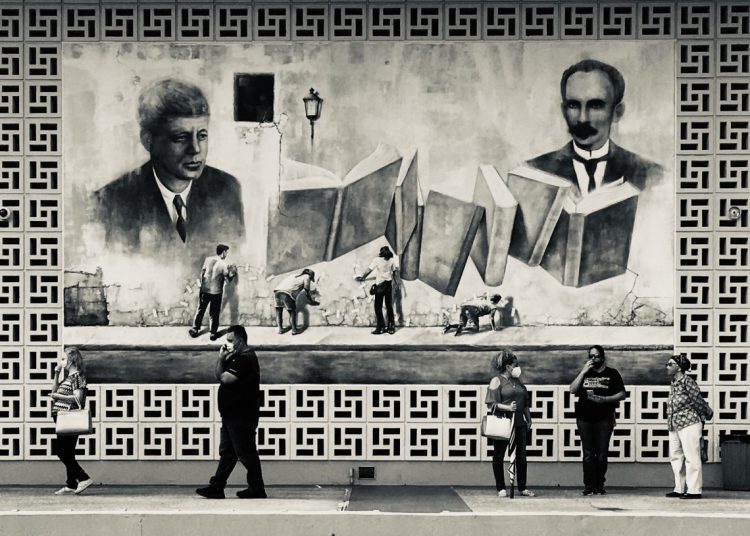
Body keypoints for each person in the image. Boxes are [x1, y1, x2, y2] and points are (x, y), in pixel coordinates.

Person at [93, 78, 245, 254]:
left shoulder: (226, 189)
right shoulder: (111, 201)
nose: (195, 149)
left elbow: (235, 259)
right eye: (181, 138)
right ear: (148, 141)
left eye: (202, 136)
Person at [527, 59, 662, 198]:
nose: (582, 119)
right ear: (563, 110)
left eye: (595, 105)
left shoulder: (652, 176)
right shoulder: (534, 173)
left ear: (617, 112)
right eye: (573, 105)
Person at [196, 325, 266, 499]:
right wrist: (222, 359)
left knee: (246, 452)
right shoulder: (234, 357)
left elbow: (226, 379)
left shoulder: (245, 359)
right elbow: (218, 375)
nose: (227, 344)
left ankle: (257, 488)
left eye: (230, 340)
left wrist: (222, 359)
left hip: (241, 414)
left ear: (240, 340)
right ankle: (217, 486)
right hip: (231, 414)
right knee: (228, 452)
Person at [569, 344, 627, 495]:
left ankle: (599, 483)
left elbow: (622, 394)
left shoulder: (612, 373)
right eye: (591, 356)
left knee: (601, 453)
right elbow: (572, 389)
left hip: (604, 418)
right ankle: (589, 485)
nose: (593, 359)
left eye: (596, 356)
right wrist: (583, 372)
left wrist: (605, 399)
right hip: (584, 417)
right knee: (588, 453)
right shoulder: (585, 373)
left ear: (603, 356)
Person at [485, 350, 535, 498]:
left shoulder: (518, 381)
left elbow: (525, 402)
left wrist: (528, 417)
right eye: (515, 365)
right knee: (499, 455)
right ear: (508, 366)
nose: (518, 368)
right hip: (503, 423)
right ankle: (500, 487)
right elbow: (490, 403)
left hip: (519, 423)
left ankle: (522, 487)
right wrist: (507, 407)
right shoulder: (496, 380)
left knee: (522, 456)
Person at [666, 354, 713, 500]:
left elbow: (697, 400)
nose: (667, 367)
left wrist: (706, 414)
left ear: (679, 367)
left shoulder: (688, 382)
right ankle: (679, 488)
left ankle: (694, 490)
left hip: (689, 423)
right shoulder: (674, 383)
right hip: (675, 425)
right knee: (676, 456)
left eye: (670, 364)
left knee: (691, 457)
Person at [49, 347, 94, 495]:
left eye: (64, 358)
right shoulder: (68, 377)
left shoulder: (77, 377)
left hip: (69, 418)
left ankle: (83, 478)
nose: (62, 361)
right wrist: (56, 373)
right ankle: (71, 484)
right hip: (62, 418)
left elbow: (77, 398)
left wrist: (58, 397)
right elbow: (53, 391)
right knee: (68, 452)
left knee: (61, 451)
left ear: (72, 359)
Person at [189, 244, 235, 340]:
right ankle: (213, 333)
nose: (227, 254)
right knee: (214, 313)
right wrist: (233, 274)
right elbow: (227, 281)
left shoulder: (208, 259)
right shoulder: (224, 264)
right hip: (216, 292)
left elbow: (202, 273)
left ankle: (195, 329)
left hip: (204, 290)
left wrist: (203, 286)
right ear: (223, 252)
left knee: (200, 309)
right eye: (226, 252)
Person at [355, 246, 401, 335]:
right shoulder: (391, 260)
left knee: (378, 307)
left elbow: (369, 270)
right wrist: (397, 284)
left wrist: (363, 277)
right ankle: (391, 327)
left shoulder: (377, 260)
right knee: (389, 306)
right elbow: (395, 273)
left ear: (381, 252)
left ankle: (381, 327)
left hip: (379, 286)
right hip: (388, 285)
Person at [273, 268, 320, 334]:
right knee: (292, 312)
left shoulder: (294, 275)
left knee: (279, 311)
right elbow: (307, 291)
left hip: (277, 292)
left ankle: (280, 329)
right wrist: (311, 301)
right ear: (310, 276)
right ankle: (294, 330)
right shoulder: (306, 277)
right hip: (286, 294)